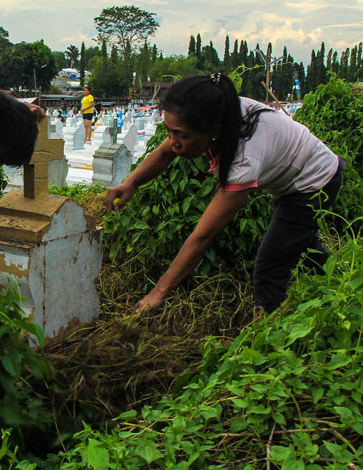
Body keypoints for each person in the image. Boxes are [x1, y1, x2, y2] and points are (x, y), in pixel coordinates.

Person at [105, 74, 345, 314]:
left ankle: (268, 337)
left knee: (270, 267)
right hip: (290, 179)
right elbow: (165, 153)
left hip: (313, 183)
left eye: (182, 135)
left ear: (213, 131)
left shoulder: (244, 158)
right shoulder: (218, 110)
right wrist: (131, 183)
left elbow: (203, 236)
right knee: (298, 243)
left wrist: (158, 293)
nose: (172, 142)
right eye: (169, 131)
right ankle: (342, 289)